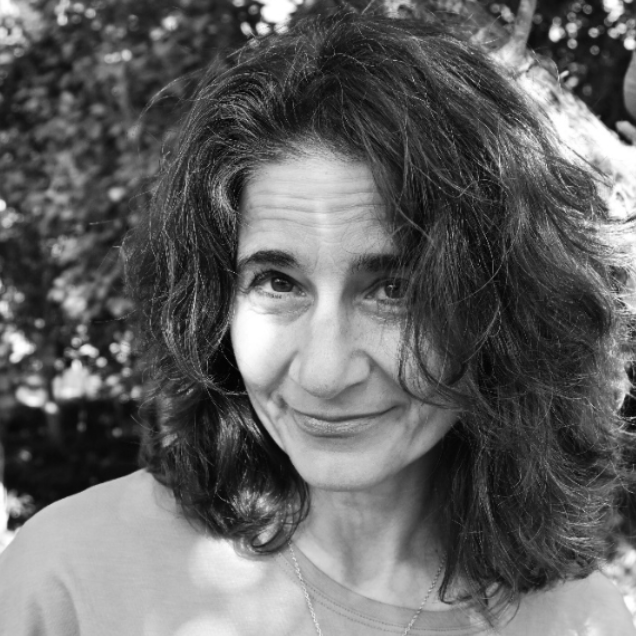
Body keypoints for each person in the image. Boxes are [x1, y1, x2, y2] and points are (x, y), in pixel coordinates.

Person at [1, 9, 635, 636]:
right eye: (278, 283)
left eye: (395, 290)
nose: (325, 375)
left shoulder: (583, 623)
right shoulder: (69, 583)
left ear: (509, 315)